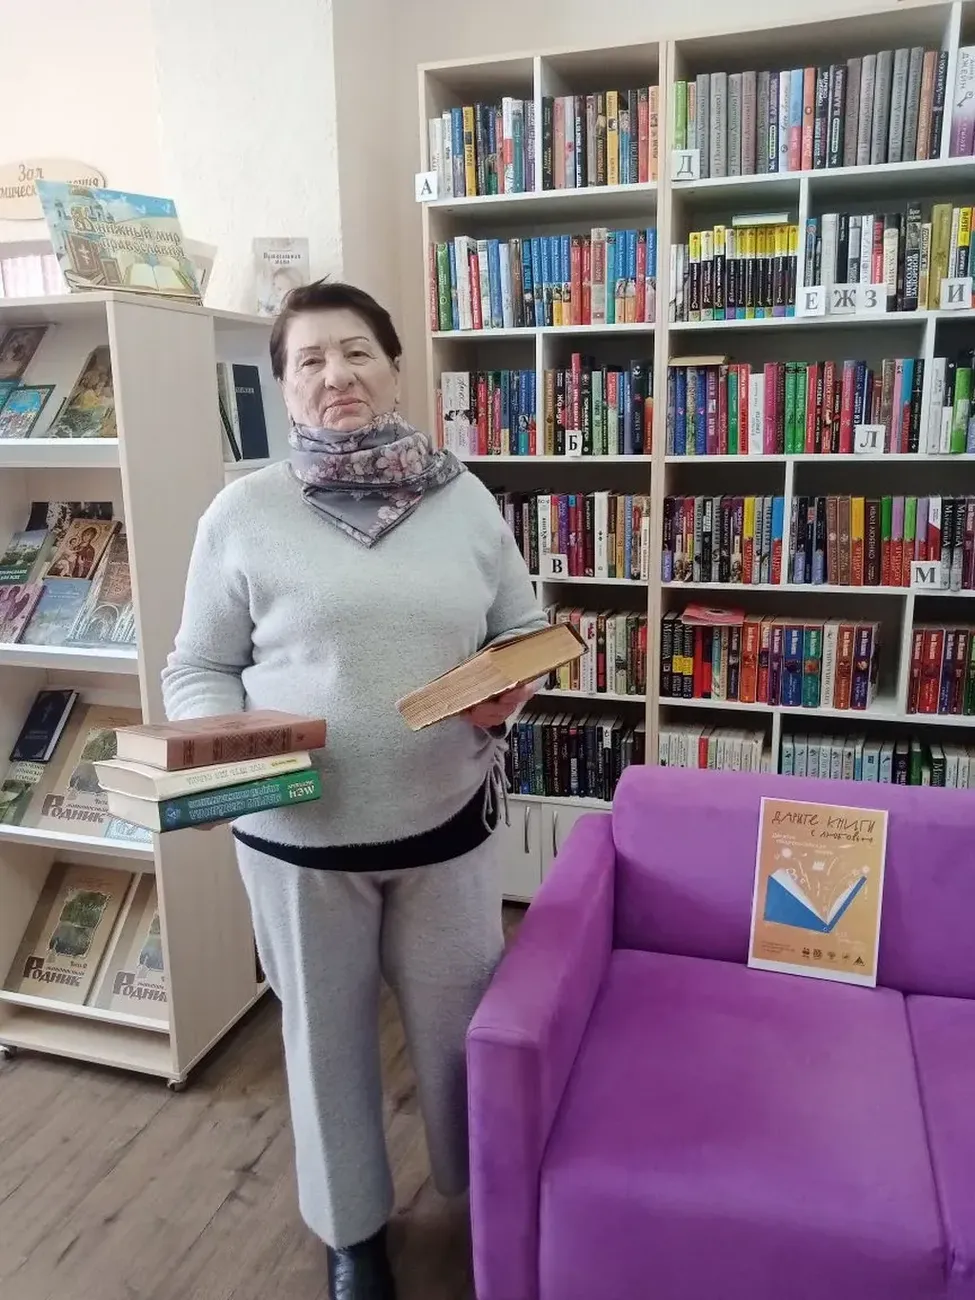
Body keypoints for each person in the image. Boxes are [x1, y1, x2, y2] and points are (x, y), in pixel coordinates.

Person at [161, 279, 547, 1299]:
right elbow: (197, 665)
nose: (335, 374)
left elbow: (520, 629)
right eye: (309, 360)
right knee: (325, 1044)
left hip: (448, 828)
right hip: (296, 838)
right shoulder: (242, 512)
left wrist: (511, 689)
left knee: (462, 1037)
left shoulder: (464, 498)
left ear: (395, 368)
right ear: (285, 386)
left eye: (356, 351)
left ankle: (480, 1201)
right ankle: (351, 1234)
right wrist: (222, 749)